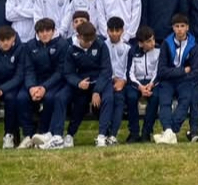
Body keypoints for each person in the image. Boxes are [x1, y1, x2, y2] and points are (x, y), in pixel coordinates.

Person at [34, 21, 112, 149]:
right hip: (80, 83)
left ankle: (102, 136)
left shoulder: (101, 45)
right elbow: (68, 72)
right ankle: (57, 136)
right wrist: (78, 82)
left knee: (108, 98)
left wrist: (97, 91)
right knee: (60, 97)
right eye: (86, 41)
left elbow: (106, 71)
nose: (89, 43)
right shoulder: (71, 48)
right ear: (79, 36)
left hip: (99, 83)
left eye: (91, 41)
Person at [16, 18, 69, 149]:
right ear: (37, 33)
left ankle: (43, 133)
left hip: (54, 83)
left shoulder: (62, 44)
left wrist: (44, 87)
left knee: (50, 98)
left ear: (53, 31)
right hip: (34, 83)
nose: (44, 34)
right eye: (41, 31)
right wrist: (31, 87)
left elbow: (60, 71)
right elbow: (28, 69)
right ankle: (28, 136)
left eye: (47, 31)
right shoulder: (29, 45)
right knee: (21, 98)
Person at [153, 14, 198, 144]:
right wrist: (182, 71)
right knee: (165, 102)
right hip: (168, 81)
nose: (180, 29)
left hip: (185, 81)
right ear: (173, 28)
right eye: (177, 26)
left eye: (182, 26)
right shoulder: (166, 44)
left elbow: (195, 71)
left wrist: (181, 75)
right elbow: (161, 71)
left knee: (185, 101)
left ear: (187, 27)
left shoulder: (194, 45)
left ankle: (170, 131)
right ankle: (168, 130)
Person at [125, 25, 161, 143]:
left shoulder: (159, 50)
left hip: (152, 82)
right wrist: (140, 87)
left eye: (153, 39)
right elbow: (130, 73)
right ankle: (134, 132)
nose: (152, 43)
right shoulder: (133, 51)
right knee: (131, 97)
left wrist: (150, 85)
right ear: (141, 43)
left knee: (155, 97)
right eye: (148, 41)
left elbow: (159, 71)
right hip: (137, 82)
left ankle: (146, 132)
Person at [105, 16, 130, 146]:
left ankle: (113, 135)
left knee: (119, 100)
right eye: (111, 30)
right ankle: (104, 132)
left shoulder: (127, 48)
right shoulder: (102, 46)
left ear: (122, 31)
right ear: (107, 31)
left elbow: (128, 67)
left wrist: (123, 81)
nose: (114, 33)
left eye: (117, 30)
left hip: (122, 83)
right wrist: (112, 78)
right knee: (108, 100)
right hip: (106, 81)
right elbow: (103, 67)